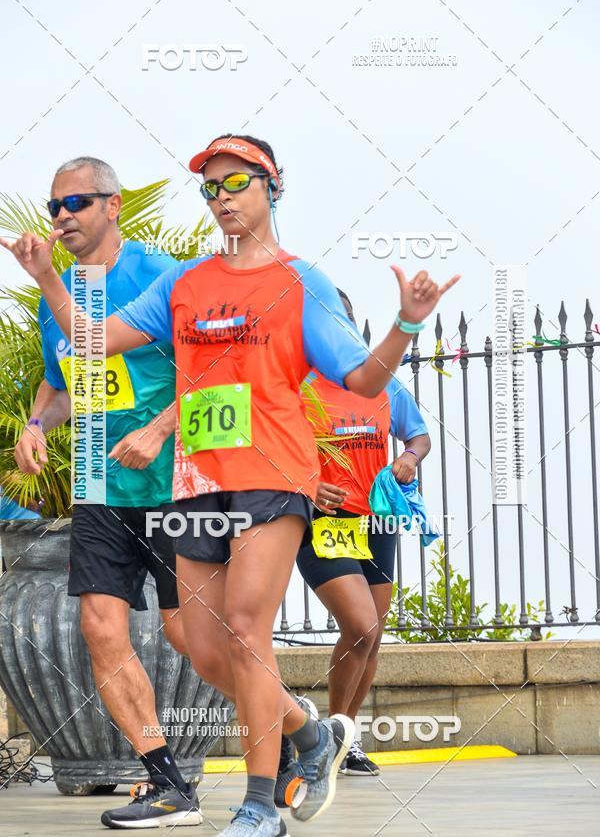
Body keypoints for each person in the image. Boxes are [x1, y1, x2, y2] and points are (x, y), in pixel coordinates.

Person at [1, 135, 459, 836]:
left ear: (272, 187)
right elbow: (87, 344)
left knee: (246, 631)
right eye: (211, 187)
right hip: (197, 483)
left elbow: (363, 380)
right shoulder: (184, 286)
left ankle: (256, 805)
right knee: (205, 645)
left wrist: (405, 324)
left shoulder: (298, 282)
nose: (222, 197)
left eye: (237, 181)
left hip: (273, 476)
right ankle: (310, 732)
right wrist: (48, 278)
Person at [9, 158, 201, 829]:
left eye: (78, 202)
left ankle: (302, 734)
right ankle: (165, 779)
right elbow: (62, 380)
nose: (62, 215)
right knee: (100, 627)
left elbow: (211, 372)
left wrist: (157, 427)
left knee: (192, 636)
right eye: (55, 204)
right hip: (97, 480)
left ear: (114, 205)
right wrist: (36, 425)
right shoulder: (57, 291)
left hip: (177, 482)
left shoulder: (162, 275)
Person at [277, 290, 430, 797]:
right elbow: (271, 451)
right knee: (360, 626)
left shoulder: (382, 385)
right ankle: (326, 738)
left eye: (338, 316)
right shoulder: (299, 387)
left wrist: (410, 456)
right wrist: (309, 485)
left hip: (378, 520)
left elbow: (419, 434)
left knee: (372, 638)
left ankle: (340, 738)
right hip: (323, 522)